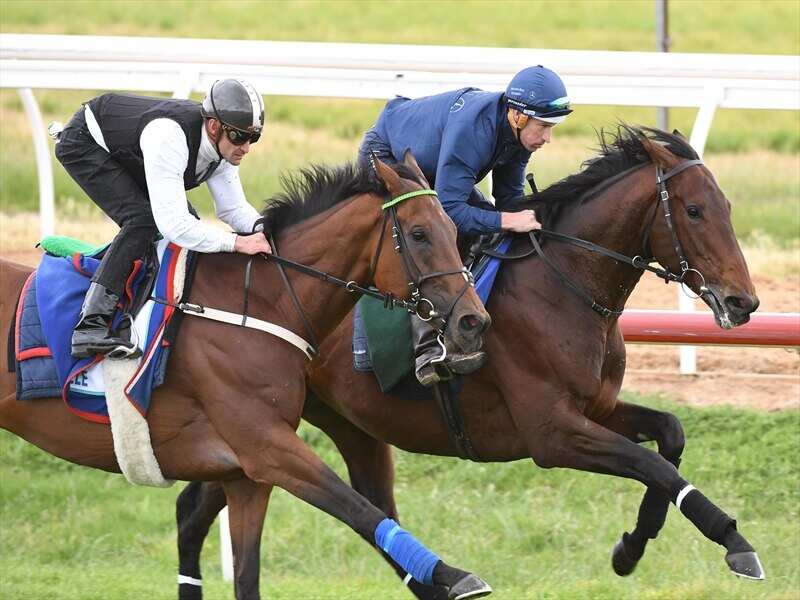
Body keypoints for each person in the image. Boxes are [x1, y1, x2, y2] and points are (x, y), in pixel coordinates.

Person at [358, 65, 572, 386]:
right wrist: (507, 219)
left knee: (491, 223)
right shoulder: (475, 129)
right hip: (387, 155)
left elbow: (509, 198)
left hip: (431, 171)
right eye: (543, 127)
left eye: (552, 127)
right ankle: (427, 349)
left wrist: (540, 220)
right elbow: (451, 211)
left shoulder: (516, 136)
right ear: (517, 116)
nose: (547, 138)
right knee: (435, 239)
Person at [55, 79, 273, 360]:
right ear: (214, 127)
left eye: (253, 138)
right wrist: (236, 243)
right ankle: (90, 327)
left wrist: (267, 230)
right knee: (143, 220)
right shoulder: (170, 137)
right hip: (86, 143)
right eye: (240, 137)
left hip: (128, 149)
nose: (246, 147)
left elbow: (233, 210)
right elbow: (173, 224)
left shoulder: (223, 149)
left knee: (189, 224)